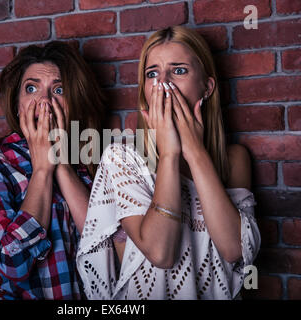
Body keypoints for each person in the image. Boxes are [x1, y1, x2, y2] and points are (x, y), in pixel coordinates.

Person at [76, 26, 261, 300]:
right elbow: (161, 253)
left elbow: (235, 250)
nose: (163, 83)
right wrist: (170, 155)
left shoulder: (234, 159)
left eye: (179, 70)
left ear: (207, 87)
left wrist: (195, 152)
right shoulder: (122, 156)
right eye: (152, 74)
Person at [0, 41, 106, 300]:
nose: (45, 101)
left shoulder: (90, 160)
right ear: (17, 103)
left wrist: (61, 163)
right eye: (31, 88)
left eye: (59, 89)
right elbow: (12, 263)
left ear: (73, 102)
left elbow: (107, 250)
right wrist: (42, 169)